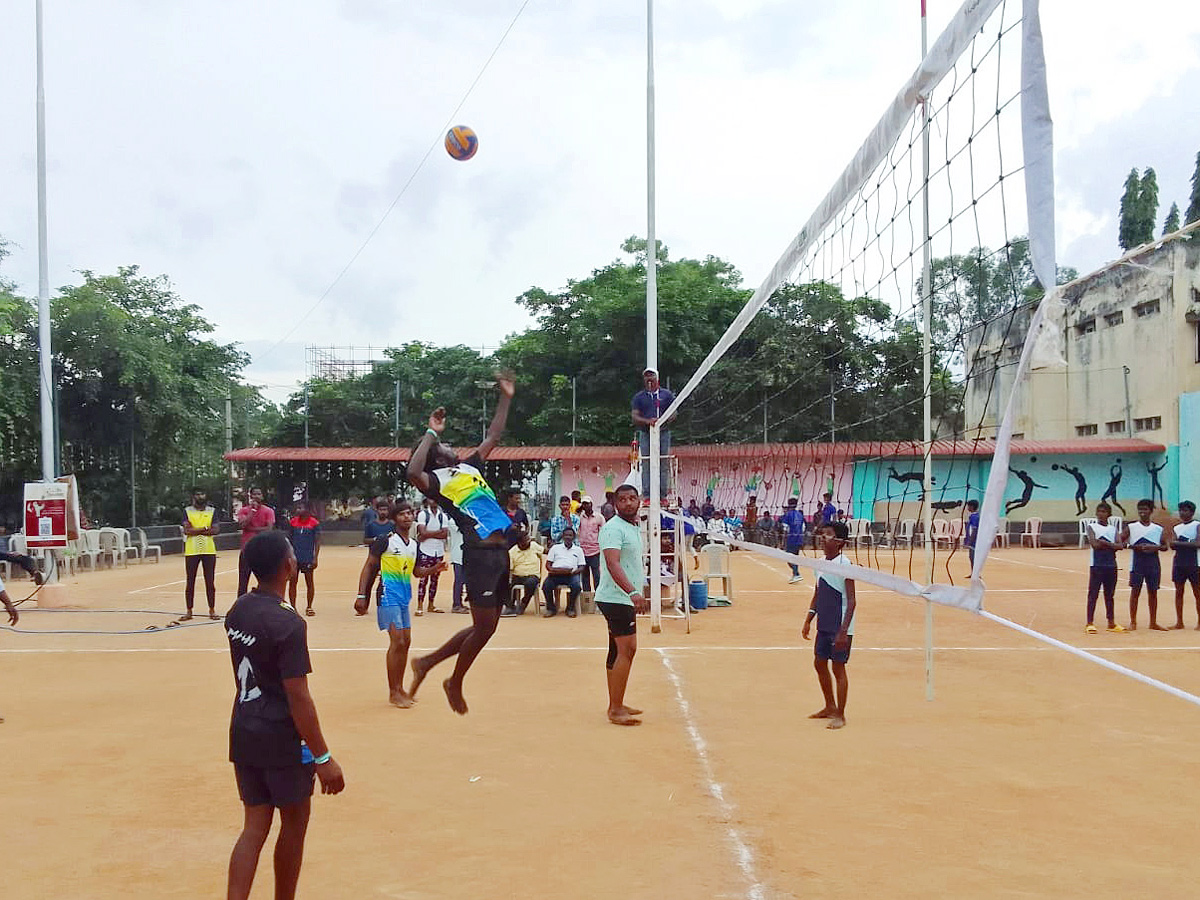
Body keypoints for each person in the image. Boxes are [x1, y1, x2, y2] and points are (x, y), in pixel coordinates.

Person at [224, 531, 344, 900]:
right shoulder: (288, 624)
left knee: (254, 827)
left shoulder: (239, 609)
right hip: (281, 738)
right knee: (294, 825)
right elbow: (298, 695)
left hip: (245, 730)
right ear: (288, 566)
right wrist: (323, 756)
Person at [405, 374, 516, 715]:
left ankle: (427, 663)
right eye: (444, 446)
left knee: (487, 627)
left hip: (500, 553)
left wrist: (506, 397)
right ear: (438, 457)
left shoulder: (469, 466)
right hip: (479, 555)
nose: (451, 446)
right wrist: (430, 433)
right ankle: (453, 681)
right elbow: (412, 471)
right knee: (484, 628)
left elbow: (494, 434)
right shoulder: (436, 479)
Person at [355, 501, 445, 707]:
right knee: (397, 641)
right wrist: (362, 595)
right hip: (387, 595)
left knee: (406, 641)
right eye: (403, 514)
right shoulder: (385, 541)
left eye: (410, 514)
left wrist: (434, 569)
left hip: (404, 597)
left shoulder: (413, 544)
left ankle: (400, 687)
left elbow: (416, 572)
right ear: (395, 519)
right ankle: (393, 692)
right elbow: (369, 567)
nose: (407, 517)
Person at [593, 483, 650, 725]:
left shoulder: (632, 527)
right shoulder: (613, 529)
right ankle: (615, 709)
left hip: (621, 597)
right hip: (616, 598)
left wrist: (641, 586)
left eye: (632, 498)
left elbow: (631, 563)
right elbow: (613, 563)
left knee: (617, 651)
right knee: (627, 650)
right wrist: (633, 592)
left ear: (639, 501)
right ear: (615, 503)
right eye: (623, 499)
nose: (628, 503)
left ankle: (616, 702)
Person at [801, 521, 856, 730]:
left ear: (840, 541)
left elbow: (851, 600)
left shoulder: (845, 565)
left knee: (838, 667)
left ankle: (840, 715)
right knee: (819, 663)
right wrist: (808, 619)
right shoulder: (820, 562)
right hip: (824, 622)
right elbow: (818, 592)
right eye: (822, 534)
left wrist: (843, 631)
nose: (823, 538)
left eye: (829, 535)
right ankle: (829, 706)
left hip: (840, 625)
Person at [1122, 498, 1168, 631]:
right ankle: (1133, 622)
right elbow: (1120, 541)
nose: (1142, 512)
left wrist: (1155, 547)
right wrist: (1133, 546)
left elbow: (1165, 546)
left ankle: (1153, 622)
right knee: (1135, 591)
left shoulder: (1158, 529)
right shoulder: (1131, 527)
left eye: (1145, 509)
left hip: (1153, 564)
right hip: (1137, 563)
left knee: (1153, 592)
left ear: (1151, 511)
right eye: (1140, 509)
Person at [631, 368, 674, 501]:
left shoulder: (666, 395)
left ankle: (662, 495)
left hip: (663, 433)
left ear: (657, 378)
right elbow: (635, 416)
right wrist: (648, 422)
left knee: (663, 462)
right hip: (646, 433)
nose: (649, 379)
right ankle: (647, 495)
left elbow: (674, 413)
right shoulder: (639, 397)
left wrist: (662, 421)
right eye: (646, 376)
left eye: (652, 376)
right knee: (646, 462)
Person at [1084, 502, 1125, 634]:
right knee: (1093, 594)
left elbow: (1120, 546)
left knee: (1109, 595)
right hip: (1097, 565)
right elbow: (1094, 544)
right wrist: (1111, 545)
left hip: (1111, 565)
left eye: (1104, 512)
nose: (1101, 514)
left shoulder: (1113, 529)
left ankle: (1111, 622)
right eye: (1099, 512)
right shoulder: (1091, 527)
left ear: (1109, 514)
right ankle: (1089, 622)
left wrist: (1104, 542)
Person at [182, 488, 220, 621]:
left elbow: (215, 530)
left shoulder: (212, 511)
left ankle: (212, 610)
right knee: (190, 581)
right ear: (193, 496)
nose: (200, 496)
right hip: (192, 550)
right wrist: (205, 528)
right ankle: (189, 611)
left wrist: (195, 530)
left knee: (210, 581)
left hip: (208, 549)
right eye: (197, 494)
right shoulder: (187, 511)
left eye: (202, 494)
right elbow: (187, 530)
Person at [236, 487, 277, 598]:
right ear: (250, 496)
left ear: (262, 496)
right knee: (243, 582)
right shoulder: (243, 510)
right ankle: (241, 608)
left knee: (266, 582)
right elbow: (243, 525)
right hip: (247, 550)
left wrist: (251, 529)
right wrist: (252, 511)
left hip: (263, 551)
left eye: (259, 494)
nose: (257, 496)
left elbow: (269, 529)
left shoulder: (268, 511)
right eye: (254, 494)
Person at [285, 502, 321, 616]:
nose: (298, 510)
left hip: (307, 557)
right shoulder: (293, 522)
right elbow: (288, 540)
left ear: (307, 510)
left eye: (300, 508)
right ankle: (293, 607)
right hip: (294, 558)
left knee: (309, 582)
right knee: (293, 582)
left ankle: (309, 606)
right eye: (298, 508)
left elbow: (317, 541)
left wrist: (315, 558)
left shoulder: (314, 523)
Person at [358, 497, 394, 611]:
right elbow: (365, 540)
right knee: (368, 582)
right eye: (381, 509)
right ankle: (364, 606)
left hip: (387, 558)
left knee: (384, 583)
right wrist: (376, 539)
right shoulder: (371, 525)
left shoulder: (392, 525)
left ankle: (382, 606)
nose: (383, 512)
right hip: (374, 557)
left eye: (385, 510)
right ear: (377, 511)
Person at [415, 497, 449, 615]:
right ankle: (419, 606)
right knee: (423, 579)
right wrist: (438, 533)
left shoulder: (442, 516)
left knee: (435, 579)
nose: (434, 501)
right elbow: (422, 533)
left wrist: (427, 535)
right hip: (426, 550)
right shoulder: (423, 514)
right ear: (427, 501)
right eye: (431, 498)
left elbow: (444, 535)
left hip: (438, 551)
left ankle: (431, 604)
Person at [1169, 500, 1200, 629]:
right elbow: (1171, 544)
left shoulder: (1197, 525)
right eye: (1181, 510)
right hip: (1179, 563)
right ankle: (1179, 622)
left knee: (1197, 593)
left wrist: (1179, 543)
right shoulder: (1177, 528)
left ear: (1192, 513)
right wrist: (1188, 543)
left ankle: (1199, 622)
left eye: (1186, 510)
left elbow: (1198, 544)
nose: (1182, 513)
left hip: (1194, 563)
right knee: (1179, 592)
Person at [542, 527, 586, 617]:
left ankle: (570, 608)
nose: (568, 537)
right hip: (555, 574)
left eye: (570, 535)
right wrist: (552, 570)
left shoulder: (578, 550)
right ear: (562, 536)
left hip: (571, 575)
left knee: (577, 586)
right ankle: (551, 608)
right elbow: (548, 564)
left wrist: (572, 572)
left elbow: (582, 566)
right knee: (546, 586)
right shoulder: (555, 548)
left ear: (574, 537)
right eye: (566, 535)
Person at [508, 528, 543, 616]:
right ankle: (510, 606)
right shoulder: (512, 552)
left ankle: (523, 603)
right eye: (526, 540)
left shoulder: (534, 546)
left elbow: (544, 551)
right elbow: (510, 569)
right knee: (507, 585)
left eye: (528, 539)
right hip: (517, 575)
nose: (529, 541)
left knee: (530, 583)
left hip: (533, 575)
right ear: (519, 542)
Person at [577, 495, 604, 592]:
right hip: (583, 550)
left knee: (596, 575)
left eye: (587, 503)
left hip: (595, 551)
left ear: (591, 504)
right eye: (584, 504)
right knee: (585, 576)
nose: (585, 506)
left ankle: (598, 597)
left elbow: (603, 532)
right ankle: (587, 599)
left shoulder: (599, 517)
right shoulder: (579, 517)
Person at [779, 498, 806, 584]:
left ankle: (797, 574)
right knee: (795, 558)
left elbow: (785, 529)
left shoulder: (787, 515)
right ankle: (795, 574)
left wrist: (783, 542)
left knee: (788, 558)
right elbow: (803, 528)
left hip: (791, 539)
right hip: (799, 538)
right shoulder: (800, 515)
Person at [446, 513, 467, 614]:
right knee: (459, 580)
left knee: (466, 580)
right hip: (458, 555)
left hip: (467, 555)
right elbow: (464, 528)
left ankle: (461, 603)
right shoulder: (453, 521)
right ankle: (456, 604)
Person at [963, 499, 980, 571]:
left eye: (968, 506)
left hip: (974, 541)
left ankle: (976, 573)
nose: (967, 508)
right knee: (971, 556)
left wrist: (970, 541)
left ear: (972, 507)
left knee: (973, 557)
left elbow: (974, 529)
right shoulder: (972, 516)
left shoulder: (975, 517)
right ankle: (973, 572)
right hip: (972, 540)